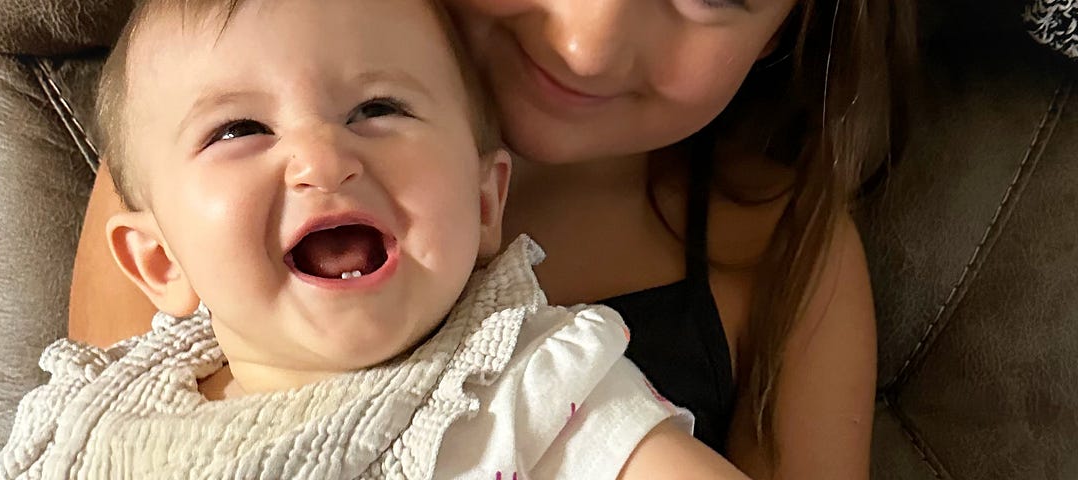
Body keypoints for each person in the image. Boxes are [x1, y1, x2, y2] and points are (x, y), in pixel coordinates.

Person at [70, 0, 913, 477]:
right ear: (155, 256)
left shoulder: (781, 246)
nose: (589, 42)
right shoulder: (187, 165)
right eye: (242, 131)